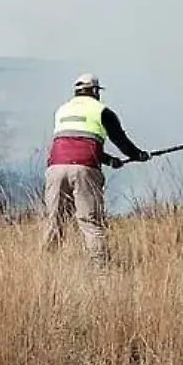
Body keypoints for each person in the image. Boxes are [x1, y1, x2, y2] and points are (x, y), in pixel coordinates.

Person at [43, 73, 149, 265]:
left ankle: (46, 265)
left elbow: (76, 142)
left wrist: (110, 160)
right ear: (94, 92)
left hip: (55, 168)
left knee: (54, 220)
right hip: (84, 169)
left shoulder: (62, 110)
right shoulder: (102, 111)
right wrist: (138, 155)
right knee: (90, 221)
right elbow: (119, 140)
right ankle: (100, 269)